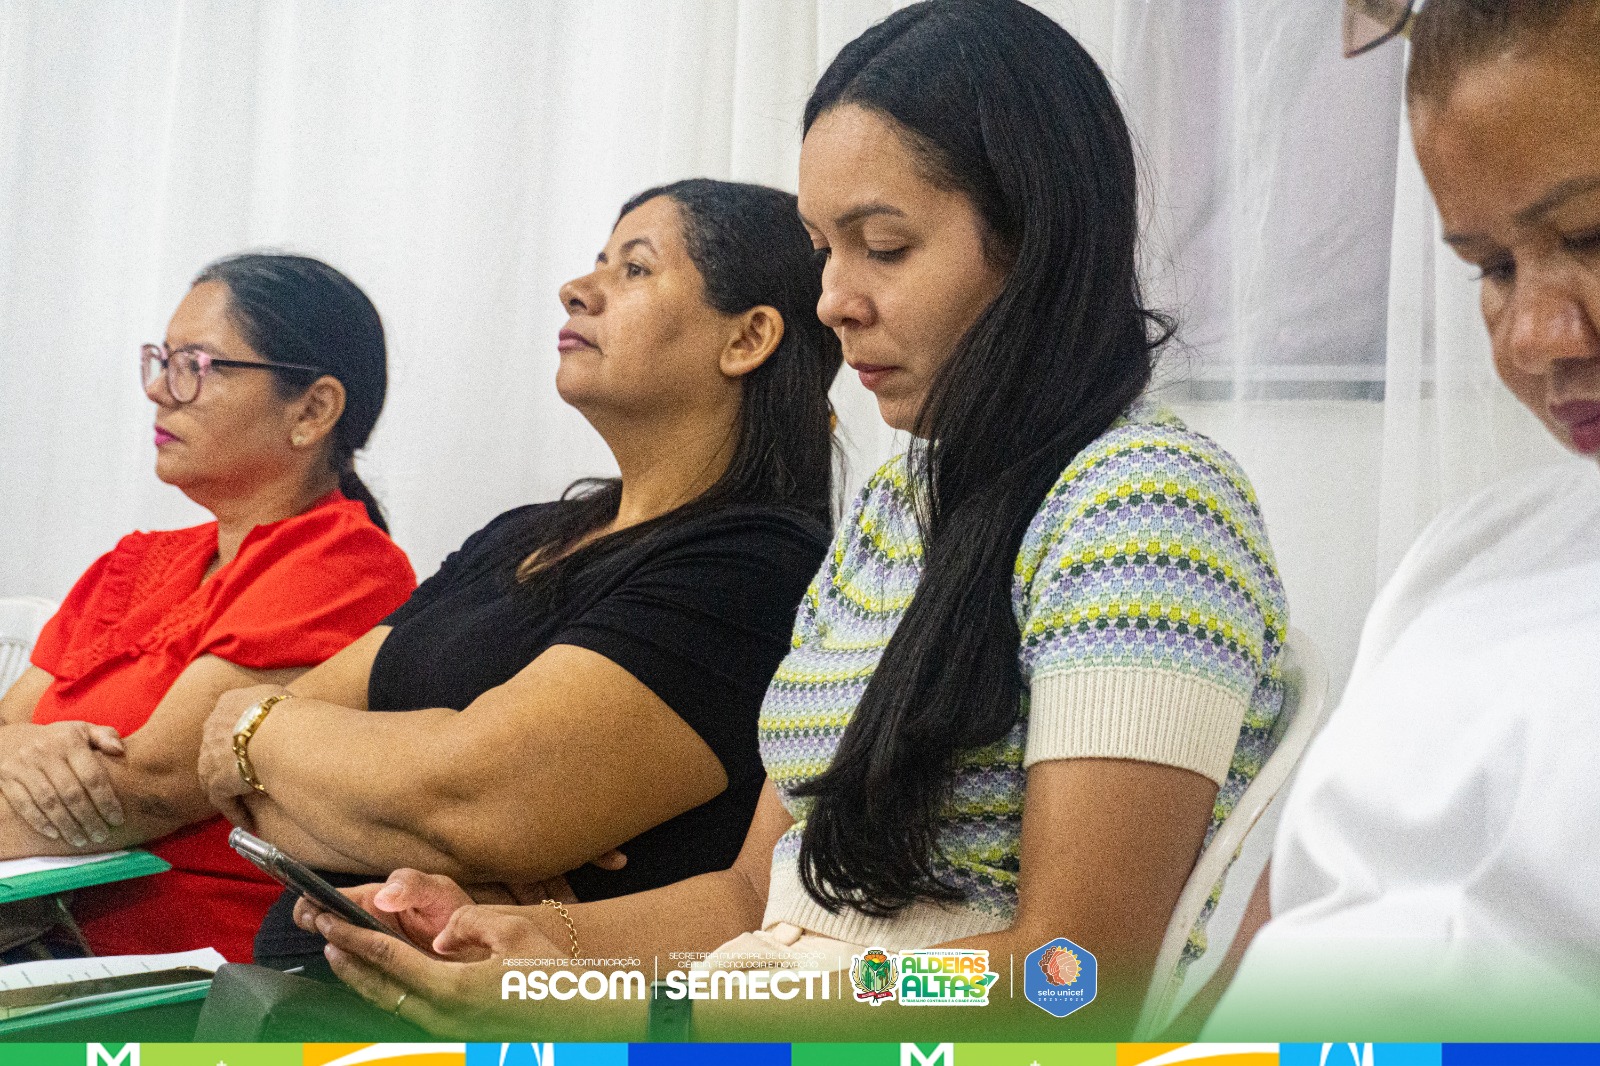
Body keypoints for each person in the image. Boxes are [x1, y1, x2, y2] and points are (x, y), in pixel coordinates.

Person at [298, 0, 1289, 1039]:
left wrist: (657, 1007)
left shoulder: (1145, 509)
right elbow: (751, 901)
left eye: (884, 247)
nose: (833, 300)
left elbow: (1073, 978)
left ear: (1037, 243)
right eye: (824, 250)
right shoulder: (898, 512)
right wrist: (524, 937)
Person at [194, 179, 842, 972]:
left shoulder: (757, 566)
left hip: (481, 1016)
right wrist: (273, 736)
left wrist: (307, 761)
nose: (577, 288)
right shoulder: (523, 536)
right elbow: (238, 773)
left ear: (747, 338)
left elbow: (477, 798)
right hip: (292, 988)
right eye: (598, 260)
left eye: (634, 268)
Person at [1201, 0, 1600, 1039]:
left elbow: (1067, 959)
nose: (1532, 337)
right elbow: (1275, 941)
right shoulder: (1470, 553)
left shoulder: (1141, 510)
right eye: (1492, 267)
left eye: (1592, 237)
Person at [0, 253, 416, 962]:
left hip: (185, 971)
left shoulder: (343, 565)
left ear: (312, 410)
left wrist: (25, 745)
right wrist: (22, 745)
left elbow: (145, 789)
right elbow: (11, 723)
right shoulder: (134, 562)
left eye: (195, 364)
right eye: (162, 361)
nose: (159, 390)